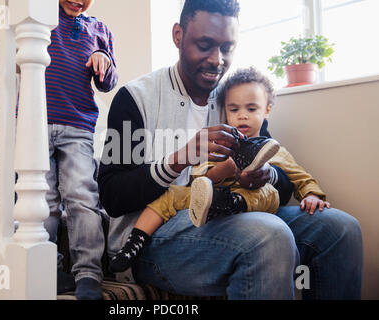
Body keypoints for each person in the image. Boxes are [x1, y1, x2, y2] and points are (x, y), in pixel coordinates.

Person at [98, 0, 362, 299]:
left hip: (231, 213)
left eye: (227, 48)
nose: (217, 60)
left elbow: (282, 179)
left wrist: (264, 175)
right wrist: (177, 161)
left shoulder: (234, 99)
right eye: (205, 44)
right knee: (266, 236)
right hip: (151, 238)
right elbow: (112, 197)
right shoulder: (135, 98)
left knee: (340, 229)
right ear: (178, 35)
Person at [108, 67, 333, 273]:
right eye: (234, 109)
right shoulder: (221, 143)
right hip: (202, 197)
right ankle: (135, 241)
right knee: (169, 196)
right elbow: (199, 176)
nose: (242, 115)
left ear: (267, 110)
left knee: (332, 224)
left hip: (247, 201)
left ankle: (231, 203)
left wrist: (308, 193)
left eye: (251, 109)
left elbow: (296, 176)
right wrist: (224, 169)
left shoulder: (267, 143)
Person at [43, 0, 118, 300]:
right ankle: (47, 267)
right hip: (36, 124)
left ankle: (87, 272)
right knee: (43, 198)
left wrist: (104, 60)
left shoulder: (99, 29)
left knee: (82, 196)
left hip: (78, 128)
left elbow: (108, 83)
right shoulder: (43, 16)